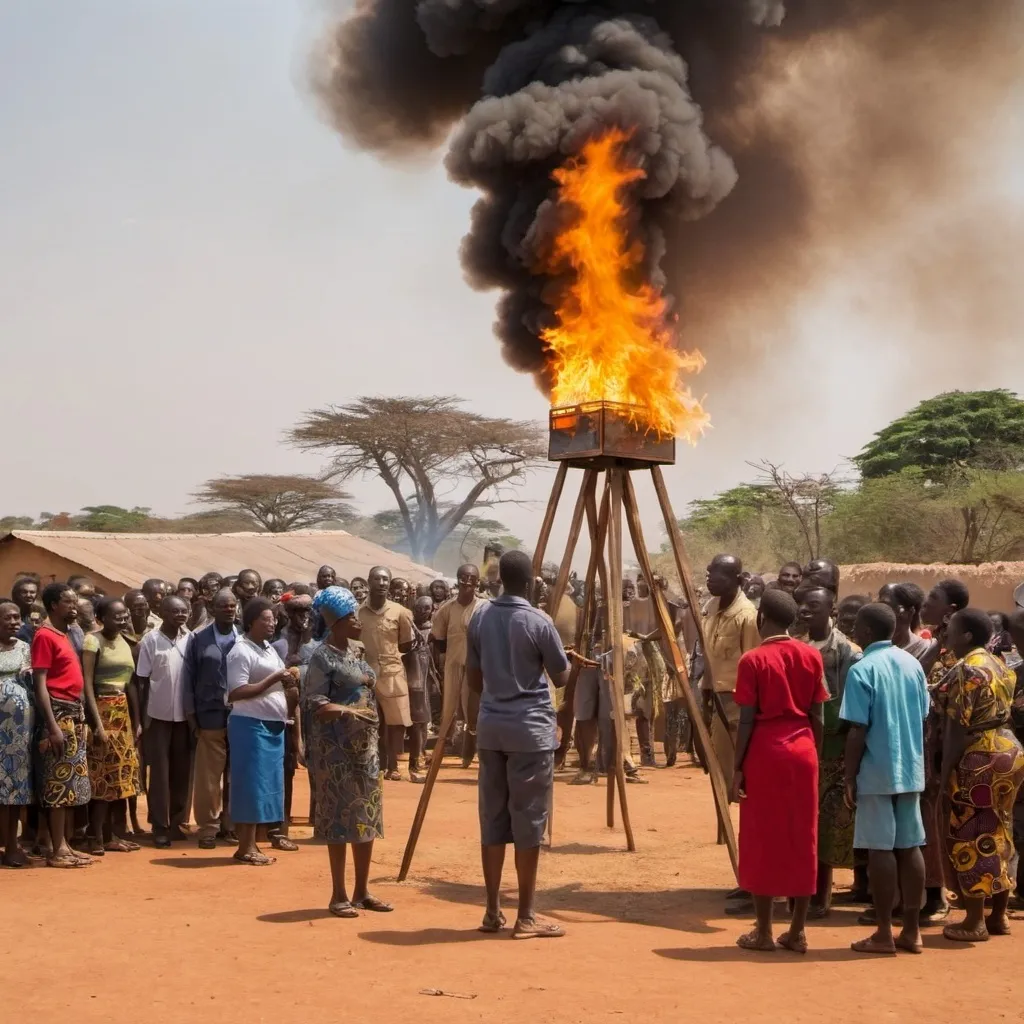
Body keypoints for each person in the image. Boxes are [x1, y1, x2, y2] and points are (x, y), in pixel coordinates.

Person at [467, 550, 569, 939]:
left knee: (493, 820)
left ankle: (493, 910)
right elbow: (560, 677)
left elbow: (475, 682)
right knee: (529, 822)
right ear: (530, 582)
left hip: (492, 728)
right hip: (529, 732)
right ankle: (526, 915)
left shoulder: (480, 617)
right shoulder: (539, 620)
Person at [730, 589, 828, 953]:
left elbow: (745, 720)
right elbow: (818, 713)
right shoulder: (811, 655)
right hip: (803, 749)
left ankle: (765, 931)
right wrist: (813, 754)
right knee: (803, 835)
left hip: (766, 751)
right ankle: (798, 930)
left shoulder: (752, 660)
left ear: (760, 619)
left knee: (761, 836)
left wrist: (737, 767)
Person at [841, 602, 929, 955]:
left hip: (878, 770)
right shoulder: (913, 665)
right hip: (910, 768)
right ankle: (911, 929)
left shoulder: (862, 669)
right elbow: (923, 715)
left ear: (863, 633)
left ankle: (882, 932)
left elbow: (857, 729)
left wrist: (849, 776)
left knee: (880, 848)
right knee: (909, 846)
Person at [937, 607, 1024, 941]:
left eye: (953, 631)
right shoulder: (1001, 664)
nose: (948, 637)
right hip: (1009, 749)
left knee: (971, 833)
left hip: (980, 754)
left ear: (967, 635)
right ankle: (998, 918)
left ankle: (974, 921)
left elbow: (958, 726)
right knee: (1000, 830)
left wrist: (946, 772)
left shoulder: (966, 669)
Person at [304, 586, 391, 915]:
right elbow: (316, 703)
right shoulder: (321, 657)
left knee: (366, 817)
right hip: (335, 753)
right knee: (339, 820)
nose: (357, 621)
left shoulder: (357, 651)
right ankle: (338, 894)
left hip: (365, 751)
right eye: (351, 616)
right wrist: (348, 711)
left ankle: (362, 891)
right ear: (336, 622)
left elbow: (369, 685)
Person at [796, 584, 860, 917]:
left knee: (833, 824)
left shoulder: (849, 651)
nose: (806, 611)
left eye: (814, 606)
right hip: (807, 744)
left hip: (836, 745)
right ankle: (810, 894)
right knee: (809, 823)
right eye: (803, 606)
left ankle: (823, 897)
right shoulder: (800, 647)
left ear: (831, 612)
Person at [225, 598, 298, 866]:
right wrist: (275, 678)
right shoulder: (240, 651)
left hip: (272, 727)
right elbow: (236, 692)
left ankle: (253, 843)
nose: (273, 623)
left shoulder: (267, 649)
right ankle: (245, 847)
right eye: (267, 619)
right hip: (250, 725)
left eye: (274, 619)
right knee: (250, 785)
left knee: (266, 786)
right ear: (251, 622)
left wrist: (288, 679)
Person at [918, 578, 971, 923]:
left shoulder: (955, 652)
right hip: (932, 744)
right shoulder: (939, 645)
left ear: (950, 610)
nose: (926, 603)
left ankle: (939, 897)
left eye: (933, 599)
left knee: (940, 819)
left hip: (945, 749)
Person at [31, 583, 92, 867]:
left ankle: (64, 845)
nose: (74, 607)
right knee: (58, 783)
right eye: (68, 602)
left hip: (73, 712)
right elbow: (40, 684)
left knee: (70, 784)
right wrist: (53, 726)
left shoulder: (66, 633)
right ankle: (57, 850)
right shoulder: (44, 636)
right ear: (54, 604)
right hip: (58, 715)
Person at [81, 597, 141, 855]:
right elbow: (87, 683)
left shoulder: (127, 641)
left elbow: (131, 684)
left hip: (122, 714)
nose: (123, 619)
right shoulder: (92, 641)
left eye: (124, 615)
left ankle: (110, 836)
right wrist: (96, 724)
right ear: (100, 618)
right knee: (102, 777)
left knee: (120, 777)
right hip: (102, 711)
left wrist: (136, 723)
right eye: (116, 616)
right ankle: (95, 836)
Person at [182, 588, 239, 850]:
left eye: (233, 605)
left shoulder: (245, 637)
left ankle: (233, 825)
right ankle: (208, 827)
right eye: (224, 606)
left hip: (240, 715)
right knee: (209, 776)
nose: (229, 609)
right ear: (213, 609)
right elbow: (188, 679)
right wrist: (192, 716)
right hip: (210, 715)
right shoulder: (199, 639)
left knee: (236, 774)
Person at [702, 555, 760, 796]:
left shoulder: (747, 615)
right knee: (720, 770)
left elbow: (753, 664)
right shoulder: (710, 608)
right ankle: (723, 830)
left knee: (744, 773)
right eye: (709, 572)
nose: (710, 578)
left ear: (736, 579)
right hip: (715, 700)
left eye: (717, 574)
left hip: (738, 706)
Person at [136, 595, 192, 849]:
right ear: (163, 613)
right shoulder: (151, 641)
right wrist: (141, 719)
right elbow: (141, 681)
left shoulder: (191, 639)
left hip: (185, 717)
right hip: (157, 717)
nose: (180, 615)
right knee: (158, 773)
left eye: (184, 611)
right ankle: (159, 826)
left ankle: (177, 823)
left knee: (182, 772)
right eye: (175, 611)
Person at [358, 566, 416, 781]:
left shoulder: (400, 612)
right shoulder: (358, 611)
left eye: (385, 579)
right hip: (365, 673)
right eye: (377, 579)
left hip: (393, 672)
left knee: (396, 722)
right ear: (369, 581)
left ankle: (393, 765)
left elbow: (406, 645)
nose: (381, 583)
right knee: (370, 721)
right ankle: (376, 763)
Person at [431, 564, 487, 768]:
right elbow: (437, 637)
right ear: (457, 579)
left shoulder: (484, 607)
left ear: (477, 582)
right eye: (463, 577)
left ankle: (475, 753)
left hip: (477, 668)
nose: (467, 581)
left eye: (471, 578)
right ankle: (439, 752)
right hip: (453, 665)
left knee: (475, 711)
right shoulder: (447, 608)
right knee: (449, 710)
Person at [0, 600, 34, 866]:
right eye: (9, 618)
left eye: (17, 618)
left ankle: (13, 845)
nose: (15, 622)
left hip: (19, 734)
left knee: (15, 790)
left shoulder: (25, 649)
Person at [406, 595, 435, 779]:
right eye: (419, 608)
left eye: (427, 608)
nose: (422, 611)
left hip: (426, 678)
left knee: (423, 719)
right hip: (412, 677)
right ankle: (414, 758)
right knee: (416, 719)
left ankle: (421, 752)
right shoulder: (408, 627)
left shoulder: (433, 630)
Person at [879, 583, 930, 658]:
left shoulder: (925, 649)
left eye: (886, 606)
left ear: (907, 612)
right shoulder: (874, 647)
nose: (879, 610)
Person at [12, 576, 40, 643]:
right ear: (17, 594)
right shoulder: (9, 611)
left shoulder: (40, 612)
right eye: (24, 592)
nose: (28, 595)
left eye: (32, 592)